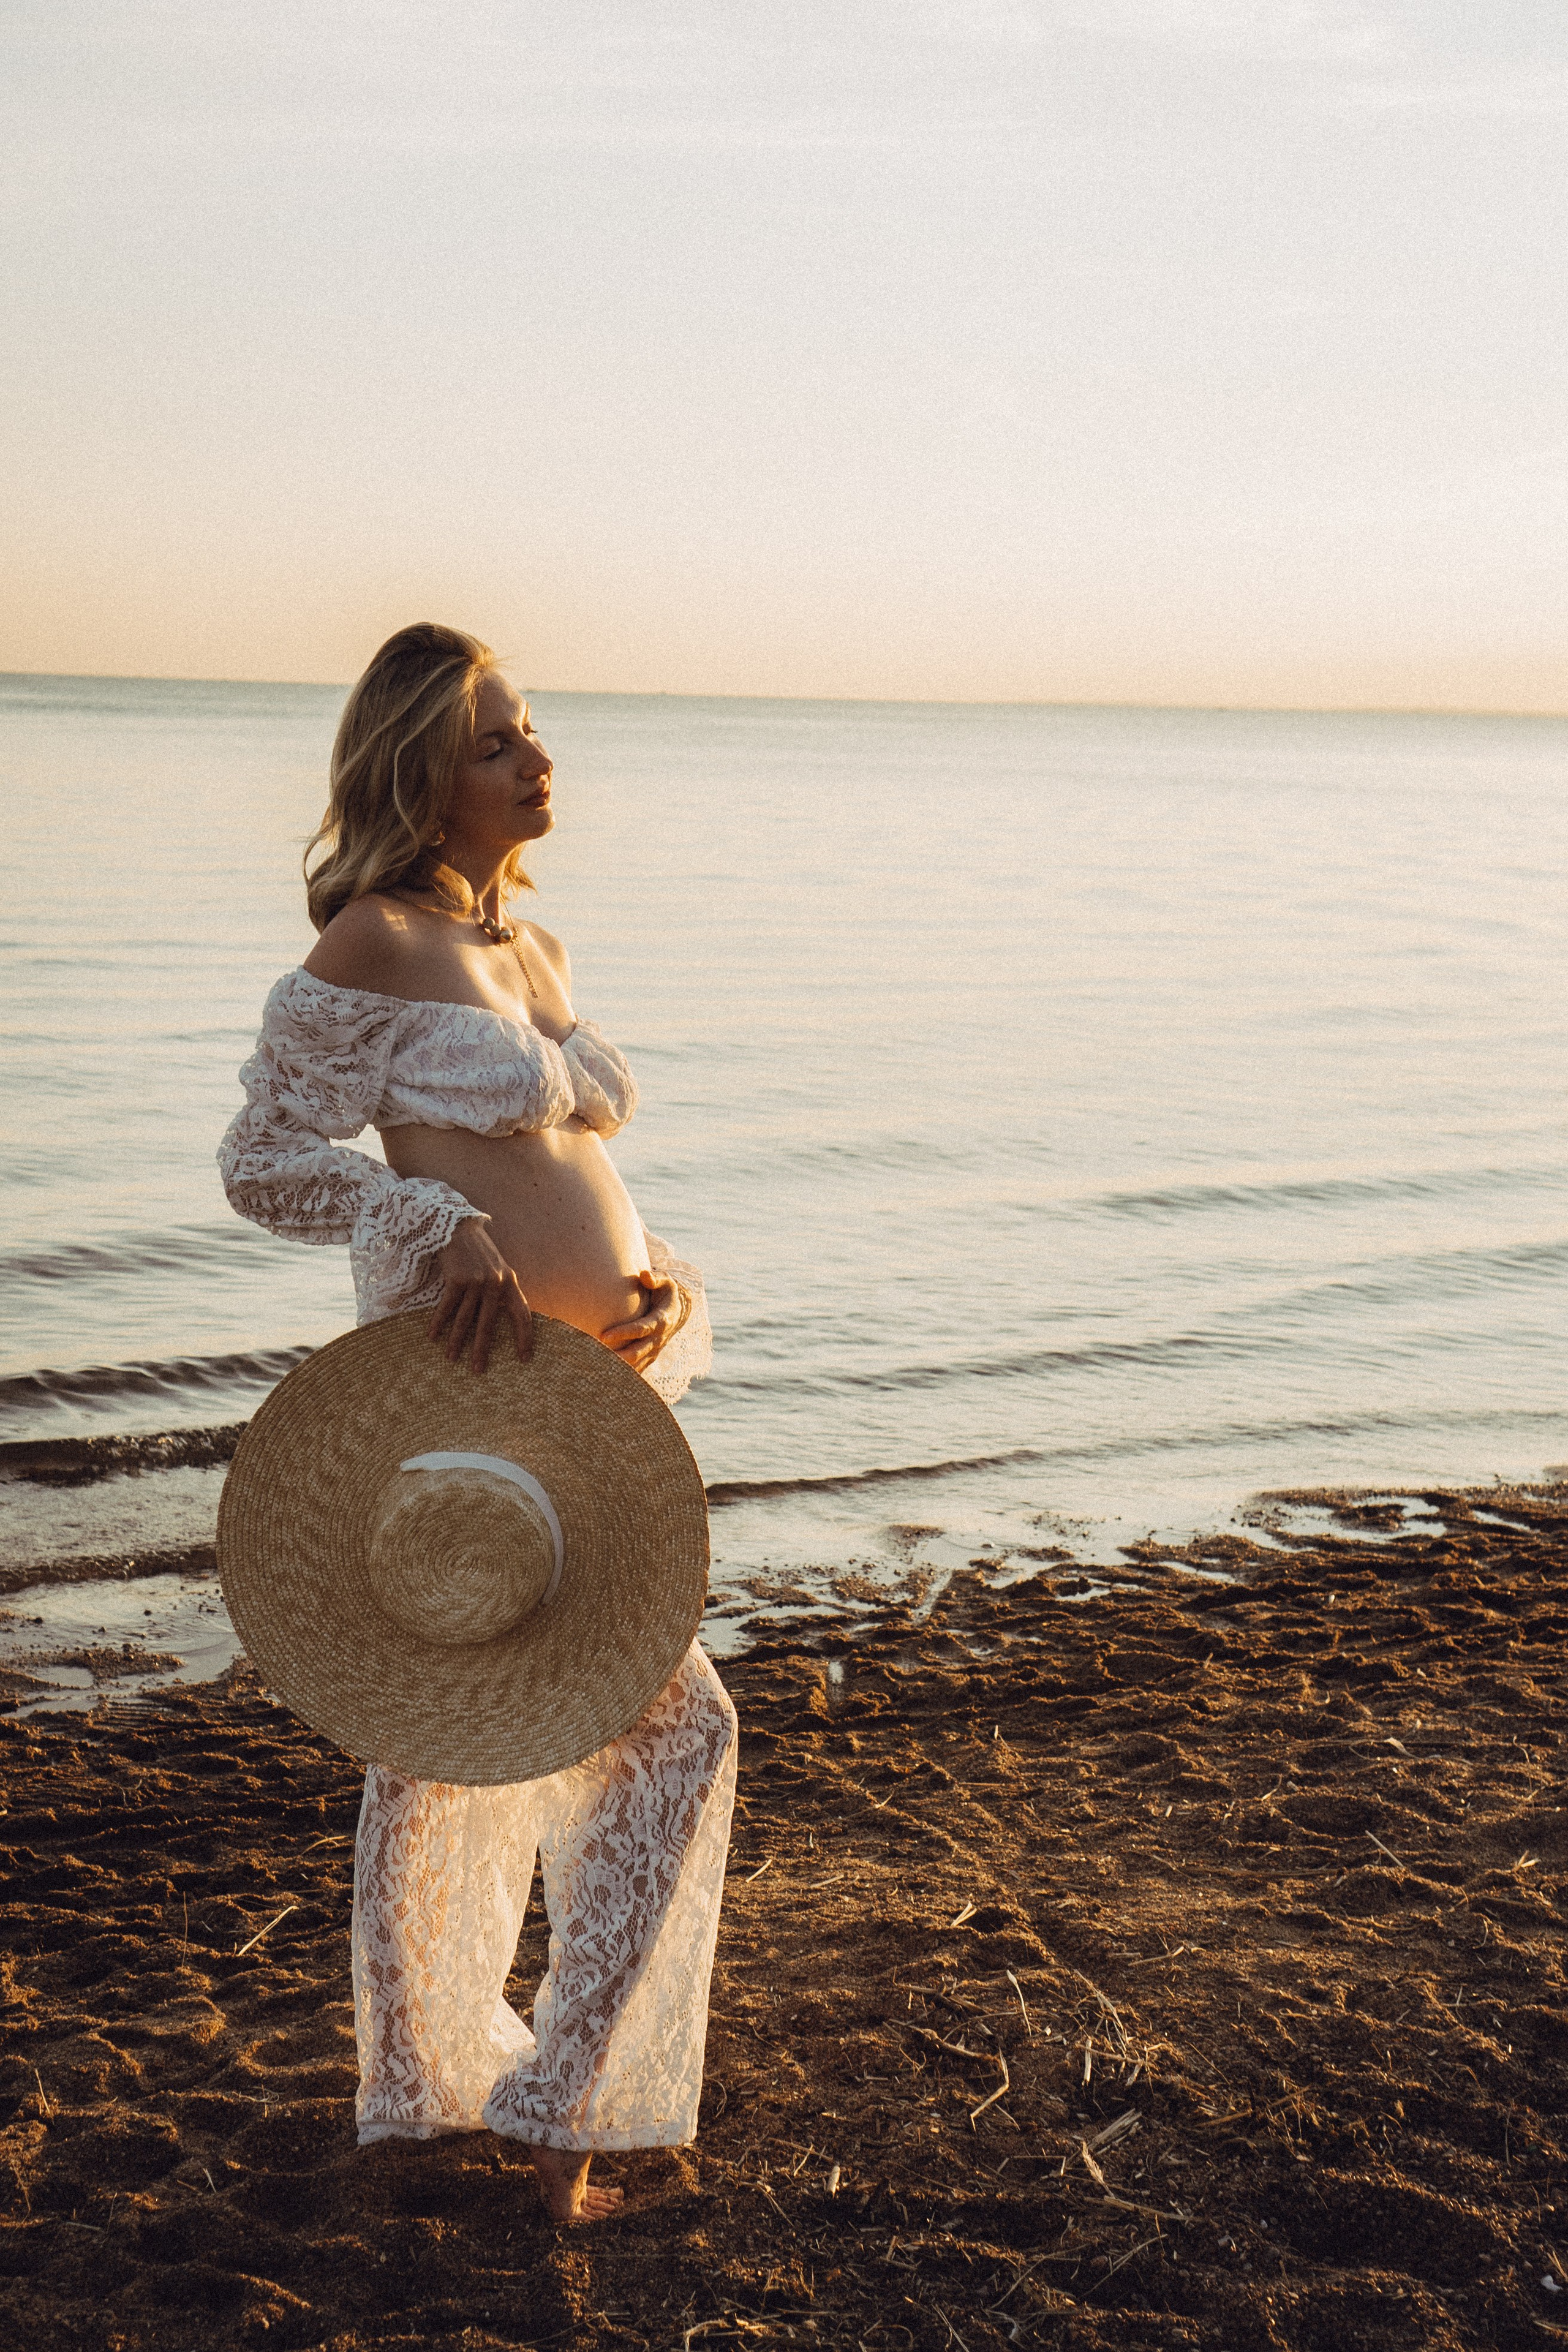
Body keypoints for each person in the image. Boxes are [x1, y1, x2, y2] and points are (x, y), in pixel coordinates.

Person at [218, 623, 736, 2223]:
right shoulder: (373, 939)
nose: (539, 759)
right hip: (465, 1389)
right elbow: (266, 1160)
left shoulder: (536, 955)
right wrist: (425, 1220)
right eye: (503, 740)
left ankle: (474, 2095)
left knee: (495, 1745)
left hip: (590, 1400)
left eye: (531, 733)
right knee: (481, 1742)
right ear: (424, 777)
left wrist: (658, 1286)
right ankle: (502, 2098)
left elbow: (573, 1180)